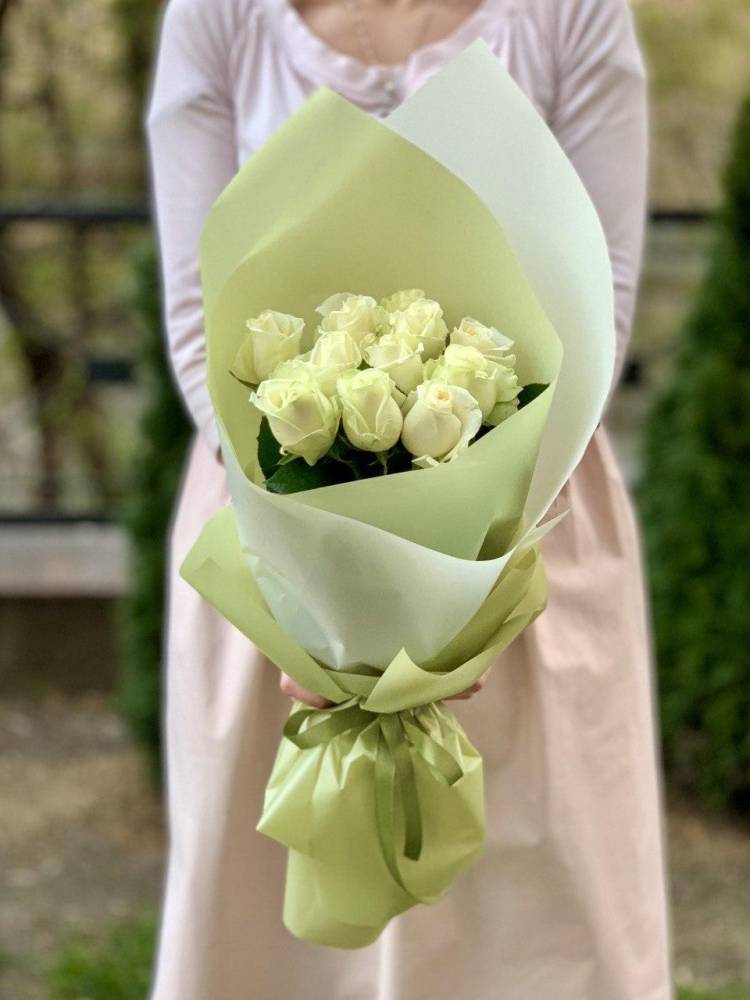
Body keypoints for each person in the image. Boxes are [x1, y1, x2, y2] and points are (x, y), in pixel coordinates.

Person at [145, 0, 673, 996]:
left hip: (527, 538)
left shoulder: (577, 15)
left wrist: (459, 598)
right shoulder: (216, 16)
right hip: (273, 543)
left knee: (538, 921)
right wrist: (322, 594)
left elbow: (597, 288)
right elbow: (195, 311)